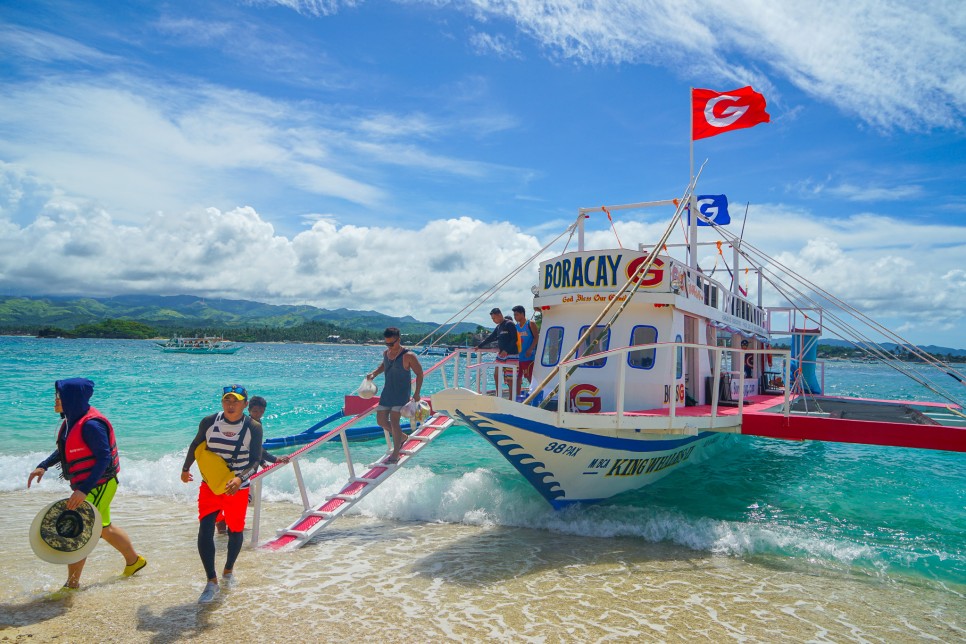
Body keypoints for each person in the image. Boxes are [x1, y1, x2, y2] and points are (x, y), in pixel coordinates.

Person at [27, 378, 146, 591]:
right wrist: (43, 466)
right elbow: (65, 447)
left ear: (71, 398)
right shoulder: (72, 420)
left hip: (99, 484)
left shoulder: (92, 425)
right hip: (91, 485)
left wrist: (84, 490)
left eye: (59, 396)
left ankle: (71, 585)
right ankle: (134, 562)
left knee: (79, 530)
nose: (55, 400)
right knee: (104, 528)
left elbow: (104, 459)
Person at [180, 384, 263, 604]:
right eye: (227, 399)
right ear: (222, 402)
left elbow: (255, 460)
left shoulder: (253, 427)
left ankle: (228, 571)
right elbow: (196, 444)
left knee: (235, 530)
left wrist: (239, 479)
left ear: (245, 404)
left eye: (236, 400)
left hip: (237, 487)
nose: (231, 404)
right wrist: (185, 468)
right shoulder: (209, 422)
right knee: (205, 529)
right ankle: (211, 582)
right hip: (210, 485)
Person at [214, 395, 289, 535]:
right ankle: (225, 522)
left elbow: (253, 448)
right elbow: (257, 448)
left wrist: (262, 462)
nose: (258, 414)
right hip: (243, 468)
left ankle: (223, 522)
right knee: (244, 499)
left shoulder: (251, 423)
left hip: (243, 466)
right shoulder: (251, 424)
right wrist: (274, 459)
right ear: (248, 409)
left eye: (261, 411)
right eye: (255, 411)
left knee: (236, 497)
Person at [365, 327, 423, 464]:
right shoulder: (386, 353)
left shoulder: (408, 356)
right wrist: (374, 374)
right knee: (381, 421)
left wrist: (417, 393)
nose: (389, 346)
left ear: (399, 340)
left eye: (392, 343)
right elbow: (383, 366)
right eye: (387, 344)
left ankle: (395, 454)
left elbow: (419, 373)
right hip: (387, 393)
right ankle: (402, 437)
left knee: (394, 419)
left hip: (402, 394)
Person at [476, 307, 520, 395]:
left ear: (499, 315)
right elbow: (491, 337)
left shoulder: (509, 324)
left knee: (510, 379)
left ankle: (511, 399)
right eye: (492, 319)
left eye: (494, 318)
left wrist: (506, 350)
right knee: (496, 374)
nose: (493, 320)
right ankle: (498, 394)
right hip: (501, 355)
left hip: (511, 354)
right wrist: (479, 346)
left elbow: (514, 338)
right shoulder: (499, 326)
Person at [512, 305, 539, 393]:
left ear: (522, 314)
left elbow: (536, 337)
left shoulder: (530, 324)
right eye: (514, 315)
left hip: (529, 356)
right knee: (518, 377)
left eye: (516, 315)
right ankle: (517, 395)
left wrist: (530, 349)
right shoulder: (516, 327)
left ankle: (535, 393)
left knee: (529, 376)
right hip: (519, 357)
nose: (515, 317)